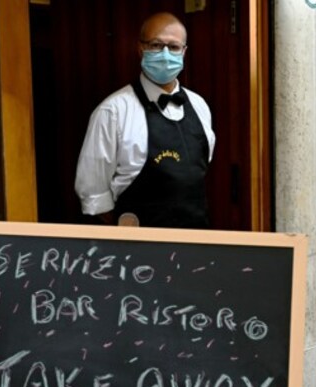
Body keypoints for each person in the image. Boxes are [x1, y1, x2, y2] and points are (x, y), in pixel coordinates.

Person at [74, 12, 216, 228]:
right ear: (141, 48)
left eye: (174, 47)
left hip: (196, 243)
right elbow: (94, 196)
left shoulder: (199, 106)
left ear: (184, 52)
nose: (166, 54)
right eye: (156, 45)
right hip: (139, 249)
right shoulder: (113, 111)